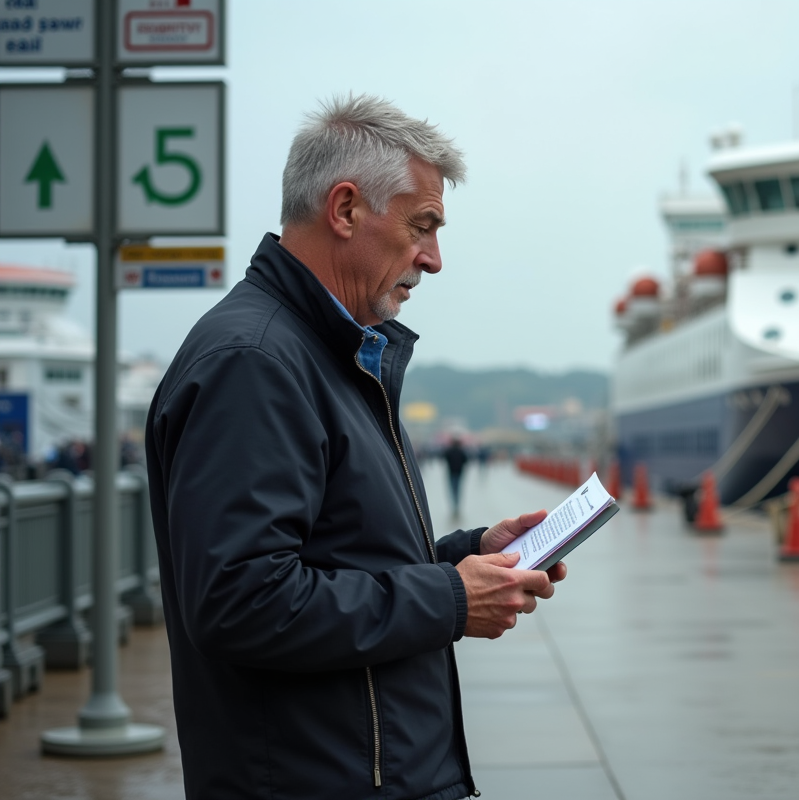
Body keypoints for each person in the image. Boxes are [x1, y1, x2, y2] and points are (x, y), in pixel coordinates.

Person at [145, 95, 566, 800]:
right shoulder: (257, 362)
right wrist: (451, 601)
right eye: (421, 226)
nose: (432, 259)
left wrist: (468, 555)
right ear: (344, 210)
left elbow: (341, 559)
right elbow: (241, 600)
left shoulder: (324, 354)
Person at [443, 436, 469, 518]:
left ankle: (453, 504)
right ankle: (457, 504)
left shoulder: (449, 451)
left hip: (451, 472)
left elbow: (445, 458)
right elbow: (466, 460)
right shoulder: (461, 451)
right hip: (459, 472)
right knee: (458, 489)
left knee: (452, 489)